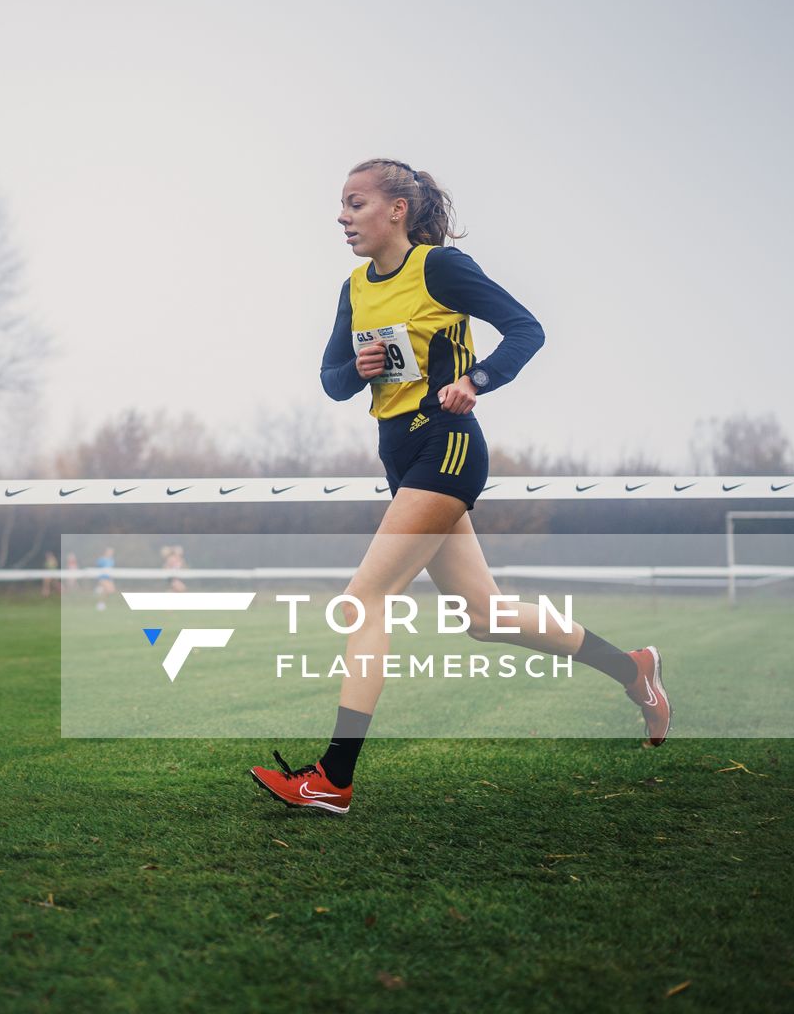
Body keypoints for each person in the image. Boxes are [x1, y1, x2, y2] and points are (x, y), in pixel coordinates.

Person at [250, 158, 671, 816]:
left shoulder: (440, 269)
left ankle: (333, 777)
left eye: (355, 203)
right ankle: (633, 669)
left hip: (447, 445)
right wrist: (358, 370)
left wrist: (475, 380)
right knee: (487, 618)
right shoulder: (355, 287)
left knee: (365, 598)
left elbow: (527, 328)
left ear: (397, 211)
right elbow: (332, 380)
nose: (342, 216)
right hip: (401, 457)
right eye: (341, 204)